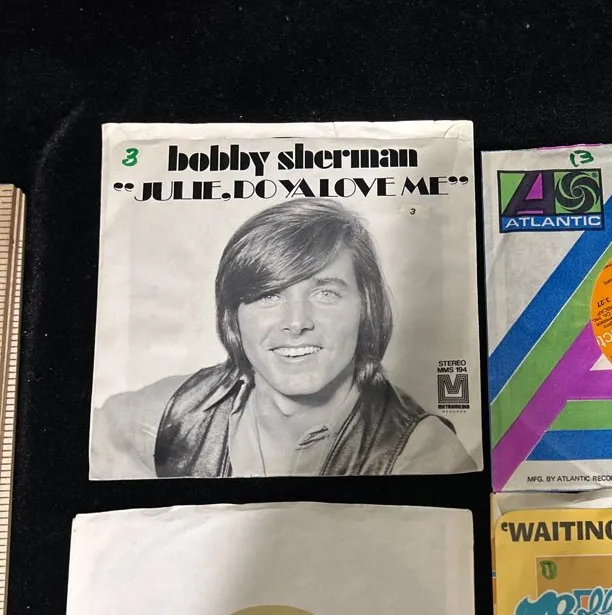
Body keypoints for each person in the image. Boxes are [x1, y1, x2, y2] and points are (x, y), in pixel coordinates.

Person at [90, 200, 474, 478]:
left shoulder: (422, 456)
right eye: (269, 295)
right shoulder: (168, 415)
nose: (296, 322)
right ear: (233, 316)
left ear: (366, 308)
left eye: (325, 293)